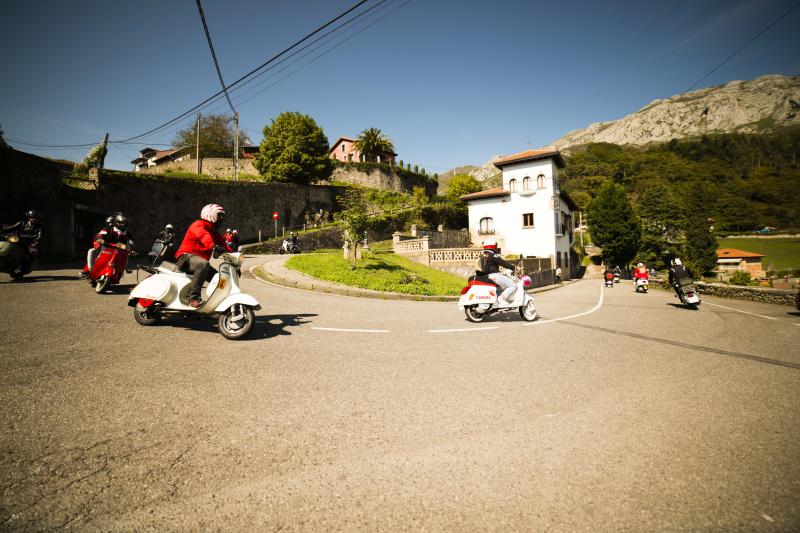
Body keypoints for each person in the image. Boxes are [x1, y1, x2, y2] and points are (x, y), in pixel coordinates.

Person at [174, 204, 231, 308]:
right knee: (204, 264)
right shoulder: (198, 224)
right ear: (210, 214)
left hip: (198, 263)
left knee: (220, 278)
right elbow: (203, 235)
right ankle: (194, 298)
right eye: (219, 215)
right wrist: (213, 246)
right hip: (186, 258)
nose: (221, 219)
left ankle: (220, 302)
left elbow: (225, 246)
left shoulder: (214, 232)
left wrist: (235, 260)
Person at [478, 238, 518, 305]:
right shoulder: (493, 255)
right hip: (495, 275)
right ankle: (502, 298)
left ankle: (498, 300)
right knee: (513, 286)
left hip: (487, 276)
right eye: (495, 245)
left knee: (501, 288)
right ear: (492, 246)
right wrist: (514, 268)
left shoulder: (483, 255)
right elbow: (503, 263)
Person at [3, 209, 44, 274]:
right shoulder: (21, 223)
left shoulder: (39, 227)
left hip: (30, 242)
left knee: (30, 252)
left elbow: (39, 236)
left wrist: (35, 242)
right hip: (19, 240)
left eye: (35, 218)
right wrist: (2, 231)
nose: (33, 219)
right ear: (28, 218)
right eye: (31, 218)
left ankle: (25, 266)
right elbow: (11, 228)